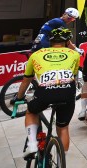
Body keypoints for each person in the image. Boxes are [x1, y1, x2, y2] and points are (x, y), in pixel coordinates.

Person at [15, 27, 80, 156]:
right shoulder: (74, 54)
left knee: (31, 111)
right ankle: (61, 164)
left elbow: (26, 81)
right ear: (67, 42)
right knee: (63, 127)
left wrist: (19, 97)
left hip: (45, 92)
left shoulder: (36, 54)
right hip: (67, 92)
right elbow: (73, 74)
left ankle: (32, 145)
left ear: (50, 42)